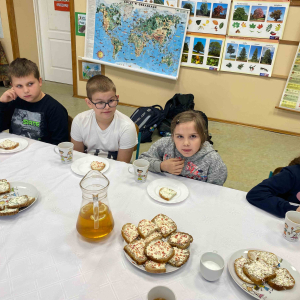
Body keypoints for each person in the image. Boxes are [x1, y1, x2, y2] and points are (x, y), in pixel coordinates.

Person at [139, 110, 227, 185]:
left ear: (202, 137)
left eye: (193, 136)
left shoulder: (213, 160)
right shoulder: (165, 144)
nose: (186, 143)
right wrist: (162, 166)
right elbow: (142, 161)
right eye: (180, 136)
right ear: (173, 136)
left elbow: (215, 190)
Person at [0, 58, 69, 145]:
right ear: (12, 86)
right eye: (19, 86)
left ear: (39, 81)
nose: (26, 90)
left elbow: (60, 144)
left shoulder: (55, 109)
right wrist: (2, 103)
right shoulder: (13, 102)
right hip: (15, 150)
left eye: (30, 84)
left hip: (42, 154)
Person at [71, 75, 137, 163]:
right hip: (86, 166)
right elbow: (77, 157)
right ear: (89, 103)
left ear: (117, 98)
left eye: (111, 101)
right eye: (100, 102)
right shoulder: (79, 120)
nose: (107, 107)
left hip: (116, 170)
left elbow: (122, 165)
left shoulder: (127, 127)